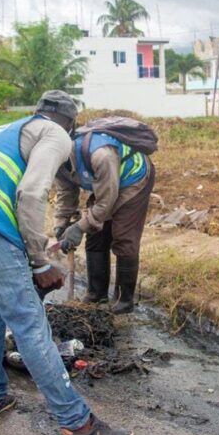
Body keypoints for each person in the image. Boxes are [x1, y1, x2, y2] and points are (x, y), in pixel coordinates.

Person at [0, 91, 131, 435]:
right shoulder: (54, 134)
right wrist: (38, 263)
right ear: (69, 123)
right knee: (29, 322)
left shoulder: (6, 130)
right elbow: (32, 193)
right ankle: (76, 422)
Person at [54, 121, 155, 314]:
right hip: (107, 184)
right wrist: (61, 225)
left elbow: (106, 203)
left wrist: (78, 227)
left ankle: (123, 301)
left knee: (123, 237)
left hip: (134, 178)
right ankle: (96, 295)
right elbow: (66, 193)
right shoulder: (57, 163)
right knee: (96, 235)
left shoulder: (101, 154)